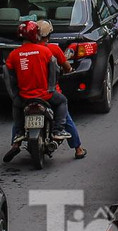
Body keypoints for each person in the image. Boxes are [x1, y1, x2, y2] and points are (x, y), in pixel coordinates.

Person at [4, 21, 72, 162]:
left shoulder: (14, 55)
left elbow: (9, 77)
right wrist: (50, 89)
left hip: (24, 97)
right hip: (45, 95)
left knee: (16, 107)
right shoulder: (45, 51)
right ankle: (58, 130)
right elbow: (55, 71)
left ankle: (19, 133)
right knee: (63, 101)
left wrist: (15, 96)